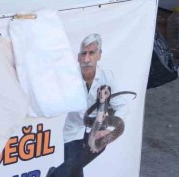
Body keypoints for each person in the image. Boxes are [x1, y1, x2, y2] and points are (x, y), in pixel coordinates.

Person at [48, 34, 129, 177]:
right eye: (83, 54)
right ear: (78, 57)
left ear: (99, 55)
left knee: (68, 171)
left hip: (97, 134)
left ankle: (53, 174)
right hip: (73, 132)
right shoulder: (69, 77)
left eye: (91, 53)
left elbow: (122, 106)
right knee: (74, 172)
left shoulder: (106, 78)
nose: (86, 59)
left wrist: (109, 130)